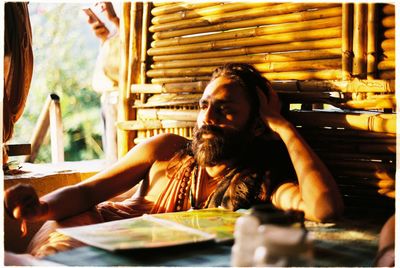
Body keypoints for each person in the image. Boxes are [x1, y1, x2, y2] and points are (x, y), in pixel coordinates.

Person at [4, 63, 344, 258]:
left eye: (225, 110)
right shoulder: (167, 150)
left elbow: (325, 209)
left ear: (256, 125)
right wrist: (41, 208)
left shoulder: (260, 183)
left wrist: (283, 127)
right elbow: (88, 193)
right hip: (92, 234)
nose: (207, 118)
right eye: (204, 106)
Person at [86, 2, 120, 165]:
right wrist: (105, 37)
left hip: (119, 99)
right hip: (109, 100)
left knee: (119, 159)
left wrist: (115, 21)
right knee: (113, 157)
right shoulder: (114, 33)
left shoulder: (127, 27)